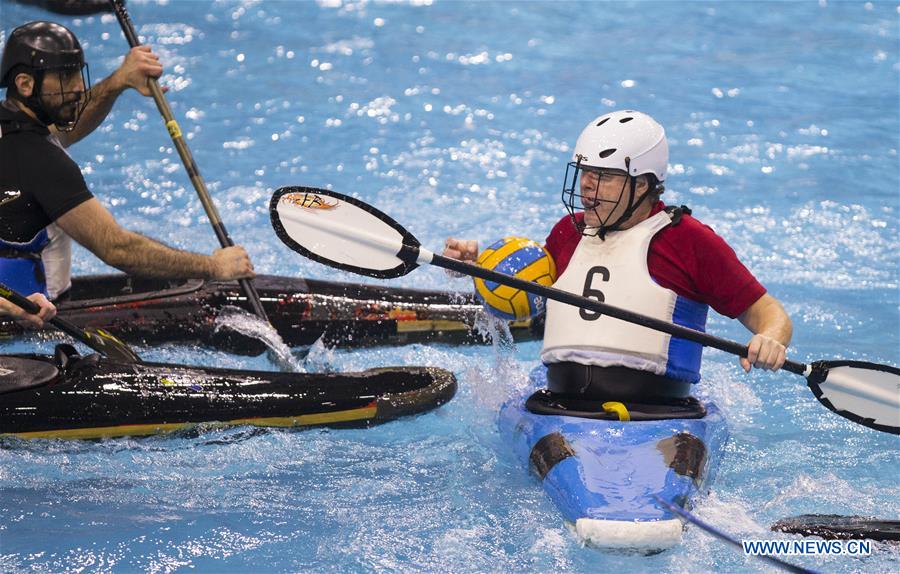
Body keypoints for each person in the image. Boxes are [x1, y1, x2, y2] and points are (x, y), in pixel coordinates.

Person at [444, 110, 792, 402]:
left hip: (657, 412)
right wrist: (482, 270)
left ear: (642, 185)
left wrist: (770, 339)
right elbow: (526, 300)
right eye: (584, 172)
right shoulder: (568, 232)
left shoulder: (688, 240)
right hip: (558, 406)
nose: (587, 185)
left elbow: (770, 313)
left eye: (604, 176)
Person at [0, 21, 254, 301]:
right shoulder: (43, 162)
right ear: (25, 84)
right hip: (38, 323)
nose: (78, 87)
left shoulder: (13, 133)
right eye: (65, 77)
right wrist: (214, 266)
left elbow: (59, 131)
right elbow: (116, 248)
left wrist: (118, 81)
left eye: (77, 74)